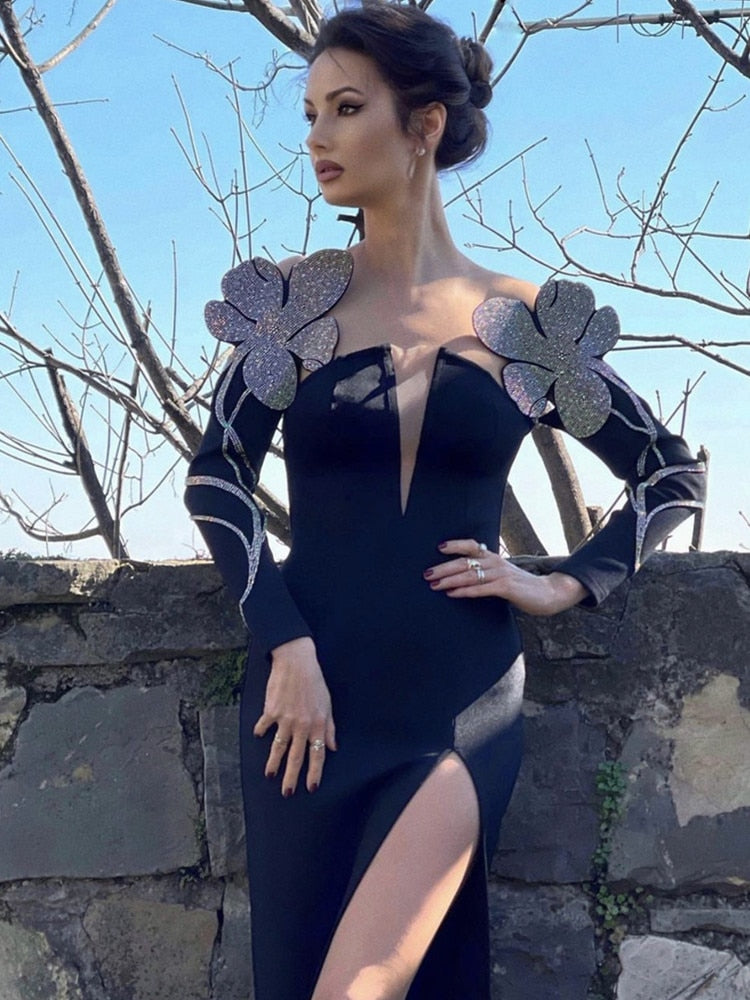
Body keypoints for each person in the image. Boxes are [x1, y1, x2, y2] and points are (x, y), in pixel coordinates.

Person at [184, 4, 706, 998]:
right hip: (307, 711)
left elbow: (669, 472)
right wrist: (285, 642)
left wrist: (565, 582)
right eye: (310, 113)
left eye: (347, 108)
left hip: (459, 706)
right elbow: (217, 476)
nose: (319, 137)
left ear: (423, 124)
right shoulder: (292, 305)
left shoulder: (525, 324)